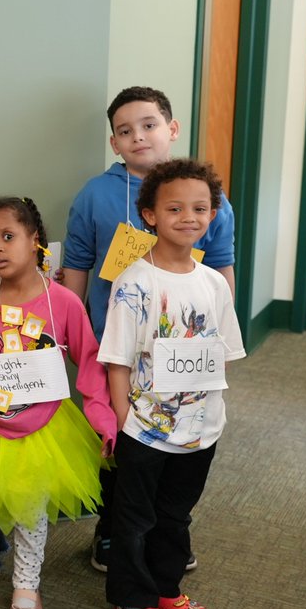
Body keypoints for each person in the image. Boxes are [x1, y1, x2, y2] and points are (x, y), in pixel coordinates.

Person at [62, 86, 235, 573]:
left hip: (182, 354)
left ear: (172, 129)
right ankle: (111, 532)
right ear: (114, 143)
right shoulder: (95, 195)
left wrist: (219, 342)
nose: (138, 136)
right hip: (111, 348)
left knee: (177, 440)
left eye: (149, 124)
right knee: (119, 440)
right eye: (125, 130)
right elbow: (76, 266)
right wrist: (72, 337)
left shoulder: (206, 199)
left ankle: (167, 532)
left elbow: (222, 269)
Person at [0, 196, 116, 609]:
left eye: (8, 237)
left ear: (34, 239)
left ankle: (26, 584)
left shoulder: (64, 304)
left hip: (42, 430)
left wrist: (104, 421)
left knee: (32, 515)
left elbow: (91, 367)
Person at [98, 159, 244, 609]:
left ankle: (165, 589)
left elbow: (221, 354)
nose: (189, 217)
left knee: (176, 514)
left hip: (200, 427)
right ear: (150, 215)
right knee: (134, 518)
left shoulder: (214, 283)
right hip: (144, 427)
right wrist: (121, 419)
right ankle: (132, 600)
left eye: (200, 208)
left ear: (213, 214)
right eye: (175, 207)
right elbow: (117, 358)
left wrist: (211, 416)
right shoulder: (136, 281)